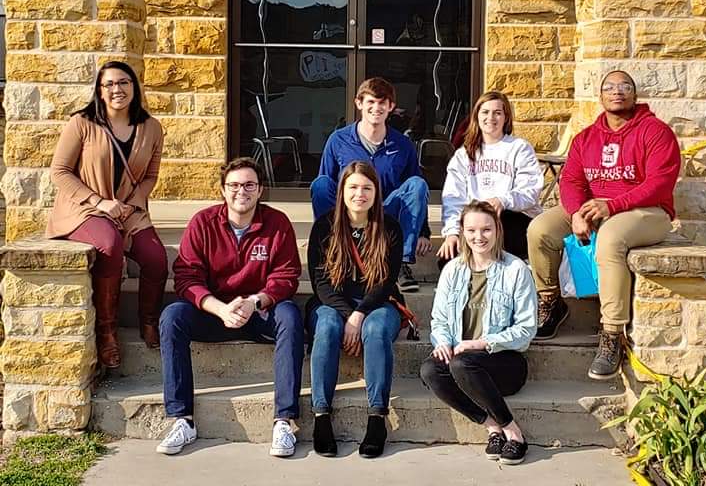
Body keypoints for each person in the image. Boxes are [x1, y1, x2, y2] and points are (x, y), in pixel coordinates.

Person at [527, 70, 679, 380]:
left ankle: (612, 333)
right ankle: (551, 302)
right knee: (540, 229)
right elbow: (571, 180)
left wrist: (611, 205)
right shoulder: (586, 138)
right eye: (609, 87)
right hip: (595, 208)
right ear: (601, 96)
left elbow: (659, 184)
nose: (617, 91)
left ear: (634, 95)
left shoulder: (655, 132)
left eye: (625, 86)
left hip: (647, 211)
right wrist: (576, 213)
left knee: (610, 238)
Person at [156, 158, 304, 458]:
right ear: (223, 190)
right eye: (234, 185)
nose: (241, 191)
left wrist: (254, 302)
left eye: (249, 185)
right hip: (215, 313)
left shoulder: (277, 223)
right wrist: (220, 309)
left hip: (260, 311)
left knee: (290, 315)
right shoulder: (203, 222)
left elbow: (286, 276)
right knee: (172, 316)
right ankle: (182, 419)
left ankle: (284, 421)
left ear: (260, 190)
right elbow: (187, 277)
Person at [47, 61, 167, 369]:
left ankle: (150, 321)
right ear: (99, 91)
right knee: (110, 245)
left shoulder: (152, 127)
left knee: (156, 258)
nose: (117, 89)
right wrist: (99, 201)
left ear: (134, 87)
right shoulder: (82, 123)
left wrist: (135, 201)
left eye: (124, 82)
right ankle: (107, 332)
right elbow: (59, 171)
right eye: (109, 84)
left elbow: (151, 176)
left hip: (129, 210)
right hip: (85, 208)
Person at [420, 201, 537, 466]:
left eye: (486, 229)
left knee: (462, 363)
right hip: (462, 364)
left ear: (497, 230)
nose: (479, 237)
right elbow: (439, 320)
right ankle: (492, 427)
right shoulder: (452, 270)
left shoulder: (515, 269)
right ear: (462, 231)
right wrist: (442, 342)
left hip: (504, 362)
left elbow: (526, 328)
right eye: (471, 230)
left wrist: (482, 343)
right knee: (430, 370)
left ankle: (513, 433)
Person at [307, 161, 405, 459]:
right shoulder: (324, 227)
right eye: (353, 187)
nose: (359, 194)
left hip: (378, 303)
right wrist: (347, 314)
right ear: (341, 191)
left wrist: (359, 313)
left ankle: (377, 417)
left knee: (375, 329)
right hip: (331, 303)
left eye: (366, 188)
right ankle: (321, 416)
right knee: (327, 326)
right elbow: (320, 283)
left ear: (376, 192)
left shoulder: (390, 228)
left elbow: (386, 282)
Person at [311, 77, 431, 292]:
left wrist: (423, 232)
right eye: (371, 102)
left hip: (385, 212)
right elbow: (325, 183)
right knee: (320, 185)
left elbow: (416, 191)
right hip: (349, 213)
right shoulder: (338, 140)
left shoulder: (403, 144)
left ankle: (399, 262)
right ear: (359, 103)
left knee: (418, 183)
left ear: (391, 106)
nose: (376, 108)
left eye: (382, 103)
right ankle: (331, 249)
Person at [438, 91, 543, 264]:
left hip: (511, 219)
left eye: (497, 113)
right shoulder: (463, 155)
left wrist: (503, 200)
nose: (491, 118)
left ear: (506, 118)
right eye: (485, 112)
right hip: (476, 223)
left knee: (499, 224)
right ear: (477, 116)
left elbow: (530, 191)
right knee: (447, 259)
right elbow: (453, 197)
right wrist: (452, 232)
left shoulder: (519, 148)